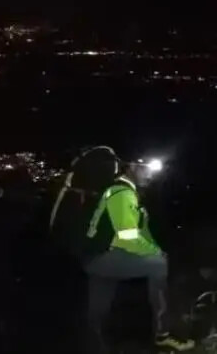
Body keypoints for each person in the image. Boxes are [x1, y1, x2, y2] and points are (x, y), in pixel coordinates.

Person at [50, 146, 194, 353]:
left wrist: (152, 248)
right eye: (145, 169)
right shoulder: (122, 193)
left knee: (97, 312)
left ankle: (95, 346)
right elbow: (128, 238)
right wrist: (155, 254)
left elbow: (136, 233)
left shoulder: (124, 192)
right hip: (101, 257)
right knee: (158, 266)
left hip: (95, 255)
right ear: (130, 169)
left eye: (152, 171)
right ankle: (163, 335)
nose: (149, 175)